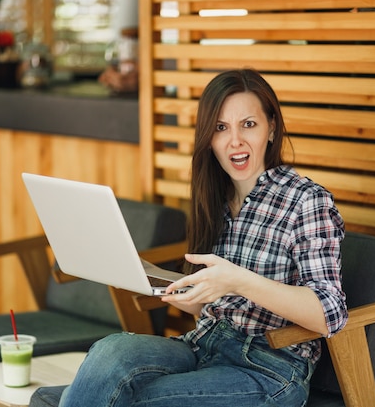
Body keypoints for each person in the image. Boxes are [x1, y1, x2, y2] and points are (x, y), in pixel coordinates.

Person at [59, 68, 348, 407]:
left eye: (248, 125)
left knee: (137, 401)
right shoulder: (215, 199)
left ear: (271, 127)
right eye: (221, 128)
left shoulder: (307, 200)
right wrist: (183, 293)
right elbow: (208, 308)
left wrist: (238, 281)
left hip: (269, 369)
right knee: (109, 353)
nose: (234, 141)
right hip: (203, 344)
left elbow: (331, 313)